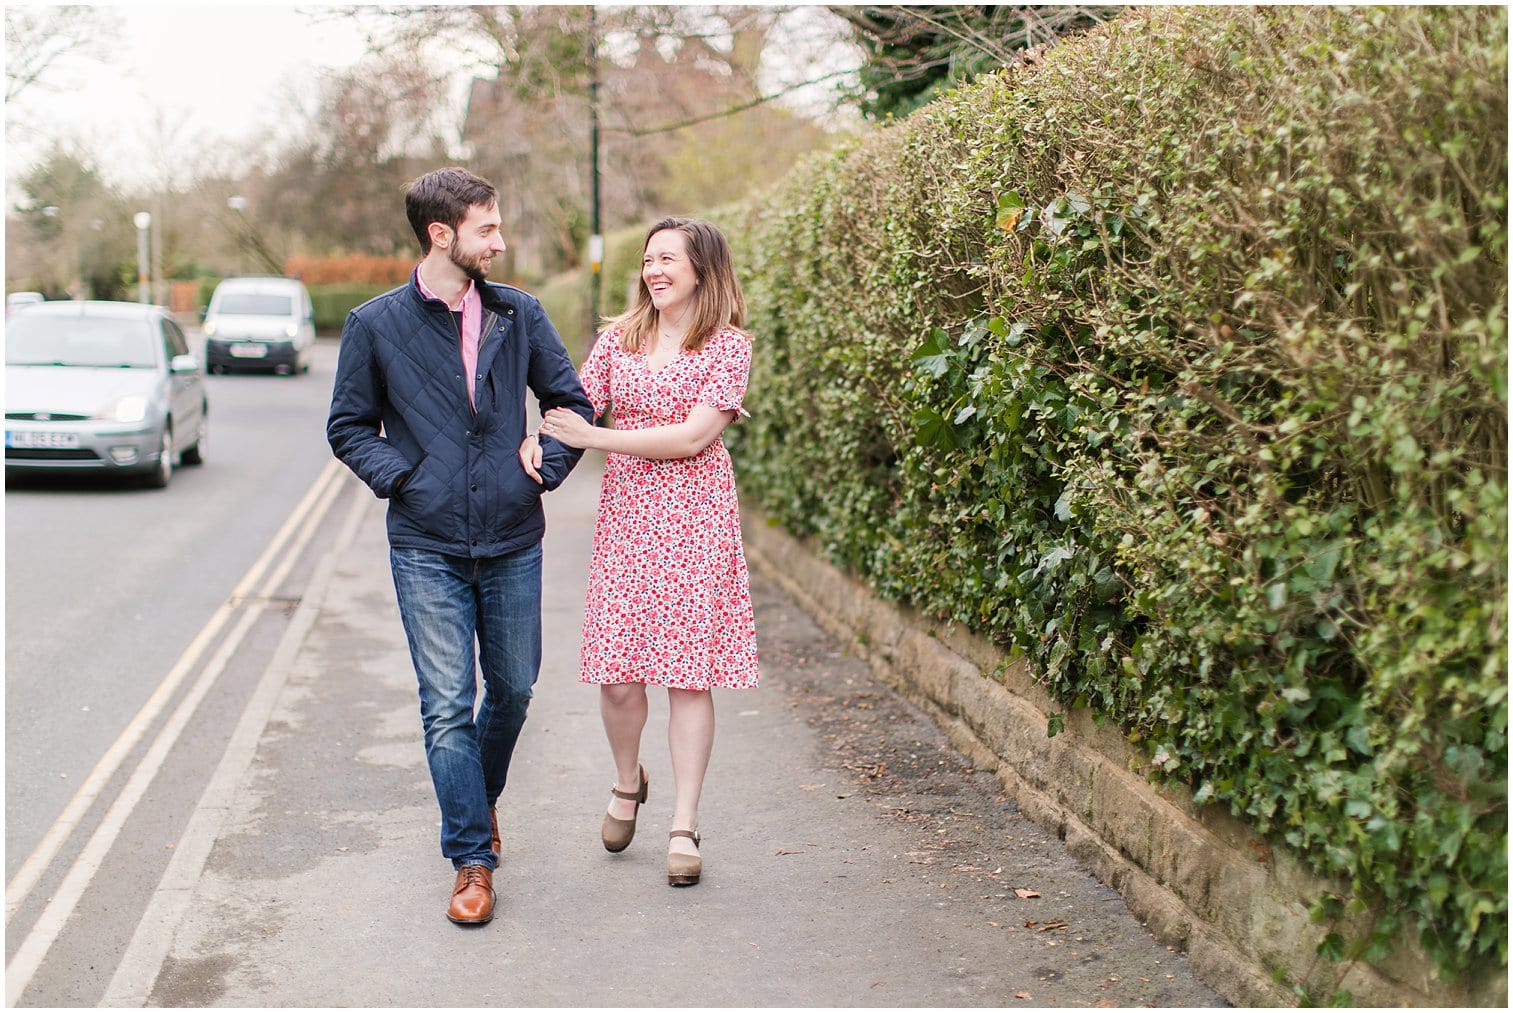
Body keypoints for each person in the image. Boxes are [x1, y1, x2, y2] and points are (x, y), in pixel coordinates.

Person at [328, 166, 593, 925]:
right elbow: (348, 426)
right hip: (425, 540)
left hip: (513, 533)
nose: (500, 242)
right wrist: (403, 478)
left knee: (512, 688)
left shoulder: (520, 312)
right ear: (441, 235)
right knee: (447, 705)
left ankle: (475, 800)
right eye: (487, 229)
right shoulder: (374, 324)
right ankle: (471, 858)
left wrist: (548, 463)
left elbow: (569, 402)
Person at [522, 216, 759, 888]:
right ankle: (628, 782)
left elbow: (691, 439)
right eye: (648, 259)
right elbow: (573, 407)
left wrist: (595, 440)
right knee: (620, 674)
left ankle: (683, 823)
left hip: (695, 520)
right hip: (627, 522)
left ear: (702, 269)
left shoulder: (727, 347)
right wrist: (540, 443)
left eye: (668, 259)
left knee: (688, 674)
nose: (654, 270)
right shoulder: (616, 340)